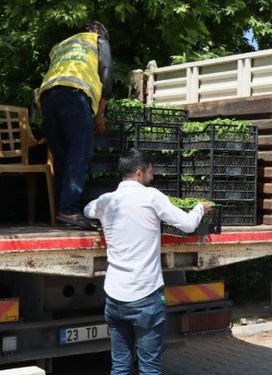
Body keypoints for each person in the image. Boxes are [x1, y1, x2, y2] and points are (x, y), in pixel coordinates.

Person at [84, 148, 211, 374]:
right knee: (149, 367)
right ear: (139, 173)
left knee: (120, 365)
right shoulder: (151, 197)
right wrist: (200, 208)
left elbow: (87, 210)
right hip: (145, 297)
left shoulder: (106, 201)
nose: (152, 178)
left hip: (114, 297)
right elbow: (188, 225)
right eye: (151, 173)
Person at [38, 21, 113, 229]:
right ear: (98, 32)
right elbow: (106, 79)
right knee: (79, 153)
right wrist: (99, 117)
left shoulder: (64, 44)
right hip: (74, 95)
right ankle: (69, 209)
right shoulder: (98, 41)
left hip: (47, 96)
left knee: (61, 156)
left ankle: (62, 211)